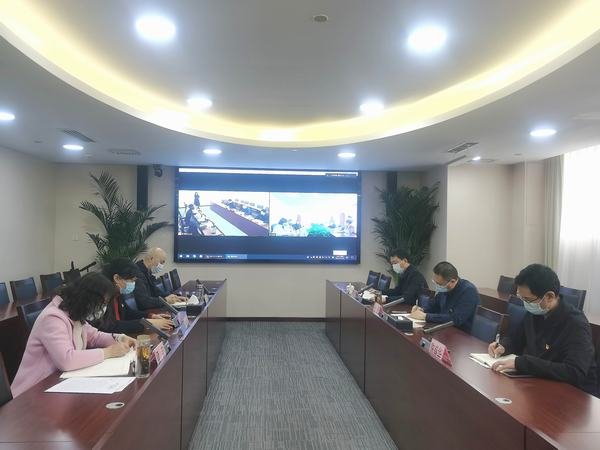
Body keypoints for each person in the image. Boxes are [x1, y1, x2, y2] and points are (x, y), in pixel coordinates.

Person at [11, 273, 136, 397]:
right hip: (32, 392)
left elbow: (94, 336)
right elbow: (67, 360)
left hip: (59, 383)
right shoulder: (52, 318)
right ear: (88, 298)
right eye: (101, 303)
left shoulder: (75, 312)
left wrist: (120, 338)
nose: (102, 308)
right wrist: (108, 352)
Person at [489, 264, 598, 395]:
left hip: (575, 394)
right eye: (521, 298)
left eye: (528, 299)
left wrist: (523, 363)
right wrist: (503, 346)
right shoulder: (535, 312)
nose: (525, 304)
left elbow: (574, 372)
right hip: (541, 382)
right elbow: (517, 339)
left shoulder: (576, 324)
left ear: (549, 296)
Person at [94, 258, 174, 334]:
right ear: (116, 278)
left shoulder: (117, 293)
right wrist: (147, 323)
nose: (133, 283)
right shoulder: (101, 297)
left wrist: (150, 316)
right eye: (131, 280)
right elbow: (109, 326)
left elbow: (128, 313)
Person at [410, 261, 479, 332]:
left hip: (460, 333)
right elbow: (434, 306)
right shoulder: (445, 288)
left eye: (439, 284)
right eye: (435, 283)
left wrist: (426, 316)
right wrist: (422, 310)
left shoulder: (468, 291)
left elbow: (456, 319)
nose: (437, 286)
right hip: (443, 327)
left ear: (452, 281)